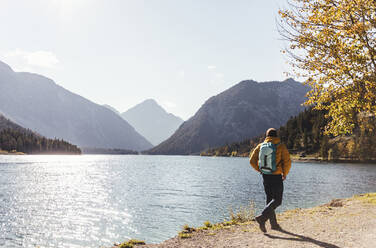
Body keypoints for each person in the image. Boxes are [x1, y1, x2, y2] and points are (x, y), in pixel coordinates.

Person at [249, 128, 291, 232]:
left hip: (265, 175)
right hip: (276, 176)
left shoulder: (260, 146)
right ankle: (262, 218)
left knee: (270, 199)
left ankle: (273, 224)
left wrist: (259, 170)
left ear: (267, 136)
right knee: (277, 200)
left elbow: (251, 160)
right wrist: (285, 173)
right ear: (276, 136)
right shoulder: (280, 146)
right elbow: (287, 162)